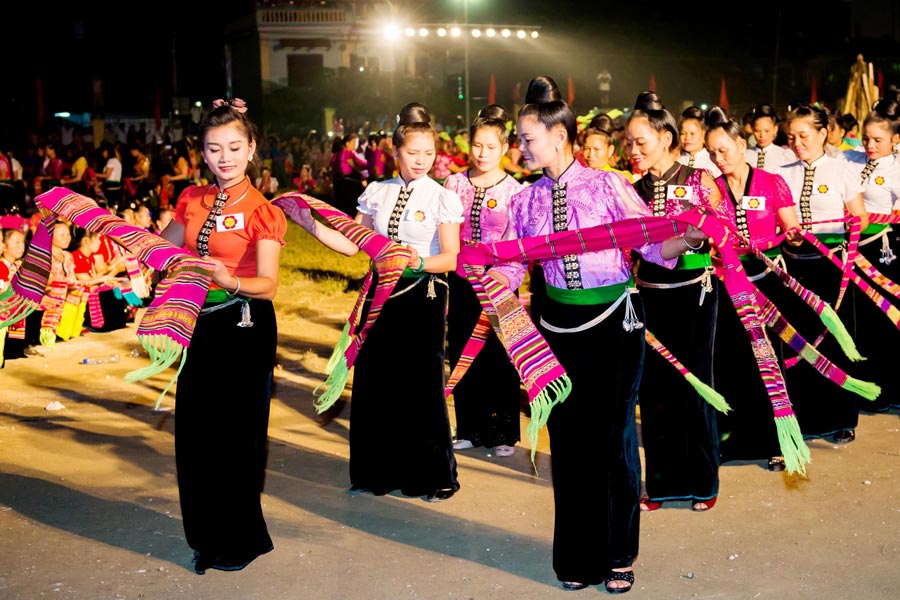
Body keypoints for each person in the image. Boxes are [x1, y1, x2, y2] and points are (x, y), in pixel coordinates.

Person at [488, 76, 707, 593]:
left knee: (612, 440)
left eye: (527, 138)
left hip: (613, 328)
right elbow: (509, 268)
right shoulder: (524, 202)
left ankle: (618, 553)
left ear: (558, 137)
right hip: (554, 330)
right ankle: (578, 558)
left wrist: (690, 237)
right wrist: (482, 280)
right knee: (567, 442)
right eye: (520, 139)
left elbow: (653, 247)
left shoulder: (608, 185)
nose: (521, 147)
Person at [298, 101, 464, 503]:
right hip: (378, 295)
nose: (422, 161)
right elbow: (353, 244)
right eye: (413, 153)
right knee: (374, 381)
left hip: (421, 295)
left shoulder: (442, 196)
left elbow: (451, 258)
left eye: (429, 153)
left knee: (421, 385)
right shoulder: (378, 192)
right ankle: (377, 472)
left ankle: (433, 476)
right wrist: (309, 224)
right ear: (396, 152)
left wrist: (418, 260)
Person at [159, 97, 287, 575]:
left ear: (252, 148)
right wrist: (103, 226)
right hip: (199, 325)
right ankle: (205, 535)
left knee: (236, 437)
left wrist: (228, 278)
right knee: (194, 432)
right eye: (215, 149)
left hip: (245, 325)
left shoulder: (262, 211)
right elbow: (162, 248)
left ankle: (239, 539)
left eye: (235, 147)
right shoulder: (192, 199)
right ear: (203, 153)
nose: (225, 158)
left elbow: (269, 286)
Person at [626, 92, 723, 513]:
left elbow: (720, 231)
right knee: (656, 391)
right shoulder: (629, 190)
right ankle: (662, 485)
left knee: (695, 384)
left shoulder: (700, 179)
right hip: (649, 296)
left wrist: (702, 236)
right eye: (628, 142)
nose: (633, 150)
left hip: (695, 293)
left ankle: (703, 481)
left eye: (641, 142)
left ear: (666, 138)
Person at [703, 106, 803, 472]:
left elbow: (790, 228)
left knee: (770, 361)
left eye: (724, 149)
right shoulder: (709, 190)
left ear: (740, 146)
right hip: (728, 283)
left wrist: (792, 237)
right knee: (731, 361)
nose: (719, 157)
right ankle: (734, 440)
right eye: (712, 152)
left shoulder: (771, 182)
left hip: (767, 281)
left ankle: (776, 441)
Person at [777, 103, 868, 444]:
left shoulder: (841, 169)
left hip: (830, 266)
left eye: (804, 135)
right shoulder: (783, 172)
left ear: (822, 134)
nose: (797, 142)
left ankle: (839, 417)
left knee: (833, 338)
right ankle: (805, 415)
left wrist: (829, 232)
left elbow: (860, 217)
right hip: (793, 265)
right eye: (792, 136)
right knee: (798, 338)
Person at [443, 104, 524, 457]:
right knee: (462, 350)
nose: (483, 153)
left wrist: (501, 278)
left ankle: (503, 431)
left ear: (504, 149)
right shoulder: (454, 183)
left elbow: (516, 243)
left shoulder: (516, 190)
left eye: (491, 147)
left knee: (501, 355)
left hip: (500, 282)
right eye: (477, 145)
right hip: (462, 281)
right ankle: (470, 427)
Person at [841, 90, 900, 412]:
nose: (870, 145)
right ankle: (867, 388)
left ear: (894, 140)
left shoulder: (896, 169)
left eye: (878, 139)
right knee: (859, 322)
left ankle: (891, 388)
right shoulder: (851, 161)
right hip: (850, 253)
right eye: (866, 139)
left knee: (886, 322)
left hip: (882, 254)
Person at [745, 104, 797, 173]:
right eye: (757, 131)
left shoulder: (785, 156)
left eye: (767, 131)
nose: (762, 135)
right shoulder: (745, 156)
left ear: (775, 129)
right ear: (753, 130)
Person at [581, 113, 633, 182]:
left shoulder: (621, 179)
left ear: (610, 150)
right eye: (586, 148)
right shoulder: (577, 178)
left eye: (596, 149)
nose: (590, 154)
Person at [677, 106, 722, 178]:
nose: (687, 138)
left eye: (692, 133)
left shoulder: (713, 159)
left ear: (704, 136)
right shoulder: (675, 159)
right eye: (683, 133)